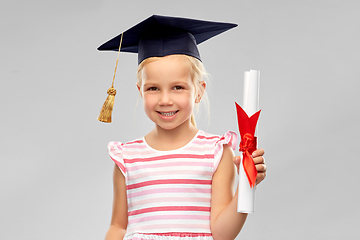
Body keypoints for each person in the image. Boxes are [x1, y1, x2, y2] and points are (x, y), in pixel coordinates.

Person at [99, 15, 267, 240]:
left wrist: (247, 185)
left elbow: (222, 233)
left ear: (198, 91)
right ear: (140, 90)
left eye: (178, 87)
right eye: (153, 88)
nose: (165, 100)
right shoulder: (127, 157)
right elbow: (118, 227)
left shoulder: (216, 153)